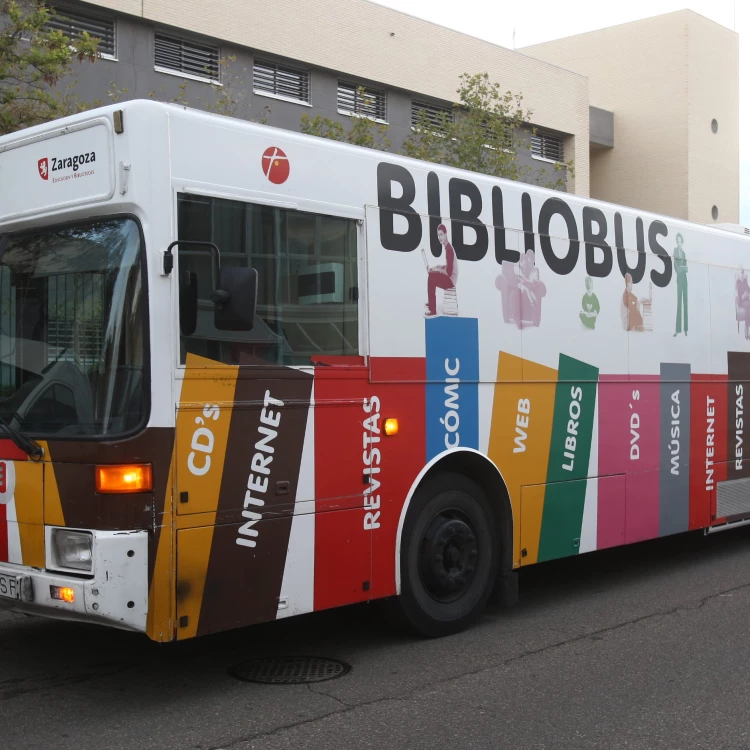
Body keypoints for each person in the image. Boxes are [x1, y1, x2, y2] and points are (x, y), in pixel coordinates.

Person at [423, 223, 458, 318]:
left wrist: (437, 270)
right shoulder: (447, 247)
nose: (440, 237)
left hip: (451, 281)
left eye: (441, 234)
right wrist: (439, 267)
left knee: (431, 277)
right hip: (450, 278)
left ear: (446, 234)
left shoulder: (449, 250)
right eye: (438, 235)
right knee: (432, 273)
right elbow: (449, 266)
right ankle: (431, 303)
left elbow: (449, 272)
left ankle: (433, 310)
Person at [673, 233, 688, 336]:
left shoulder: (684, 253)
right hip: (679, 279)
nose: (679, 243)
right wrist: (681, 269)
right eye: (678, 241)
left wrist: (683, 269)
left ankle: (686, 329)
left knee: (685, 303)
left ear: (682, 242)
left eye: (680, 241)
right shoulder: (675, 251)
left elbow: (686, 267)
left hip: (684, 280)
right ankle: (678, 330)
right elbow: (676, 266)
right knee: (679, 303)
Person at [737, 267, 750, 340]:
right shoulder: (738, 282)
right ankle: (746, 331)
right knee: (749, 306)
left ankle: (747, 329)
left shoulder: (745, 281)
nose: (742, 274)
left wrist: (747, 293)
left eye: (742, 272)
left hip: (747, 300)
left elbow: (748, 289)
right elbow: (737, 295)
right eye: (740, 273)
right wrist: (743, 296)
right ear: (738, 274)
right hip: (741, 301)